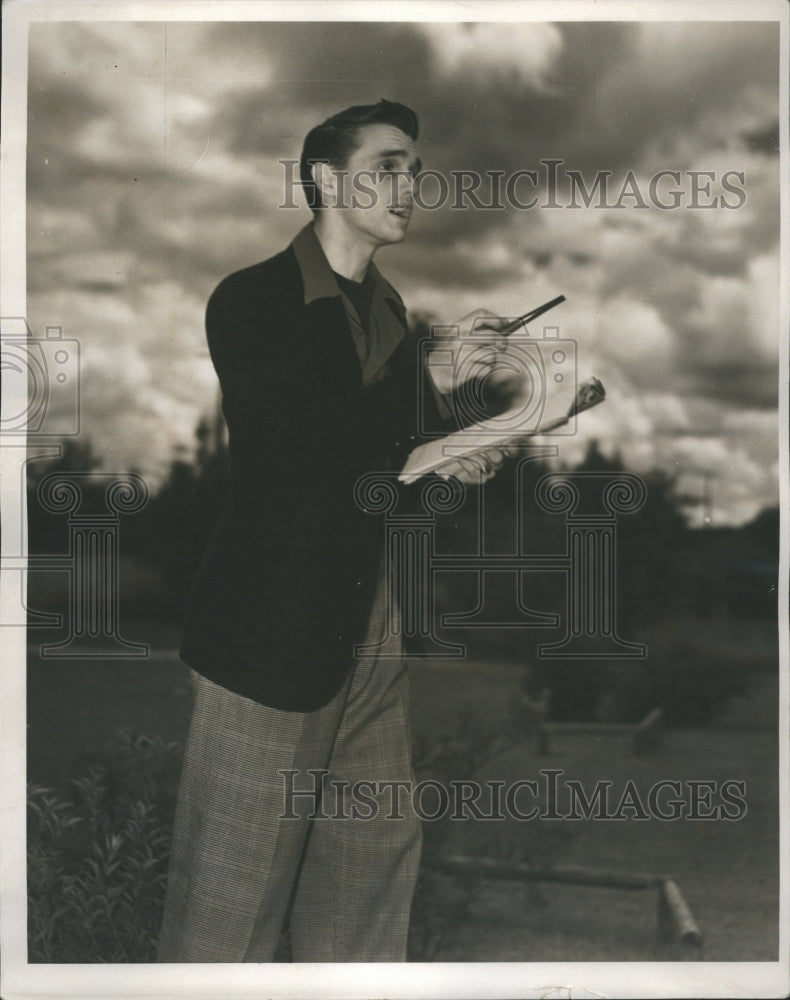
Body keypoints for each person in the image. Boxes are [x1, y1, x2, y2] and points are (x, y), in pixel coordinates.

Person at [157, 99, 514, 964]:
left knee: (366, 891)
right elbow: (291, 454)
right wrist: (425, 385)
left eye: (415, 172)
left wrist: (451, 459)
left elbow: (374, 479)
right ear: (324, 177)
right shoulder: (251, 300)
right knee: (229, 910)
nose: (409, 185)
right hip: (269, 639)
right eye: (388, 165)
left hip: (372, 635)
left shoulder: (392, 316)